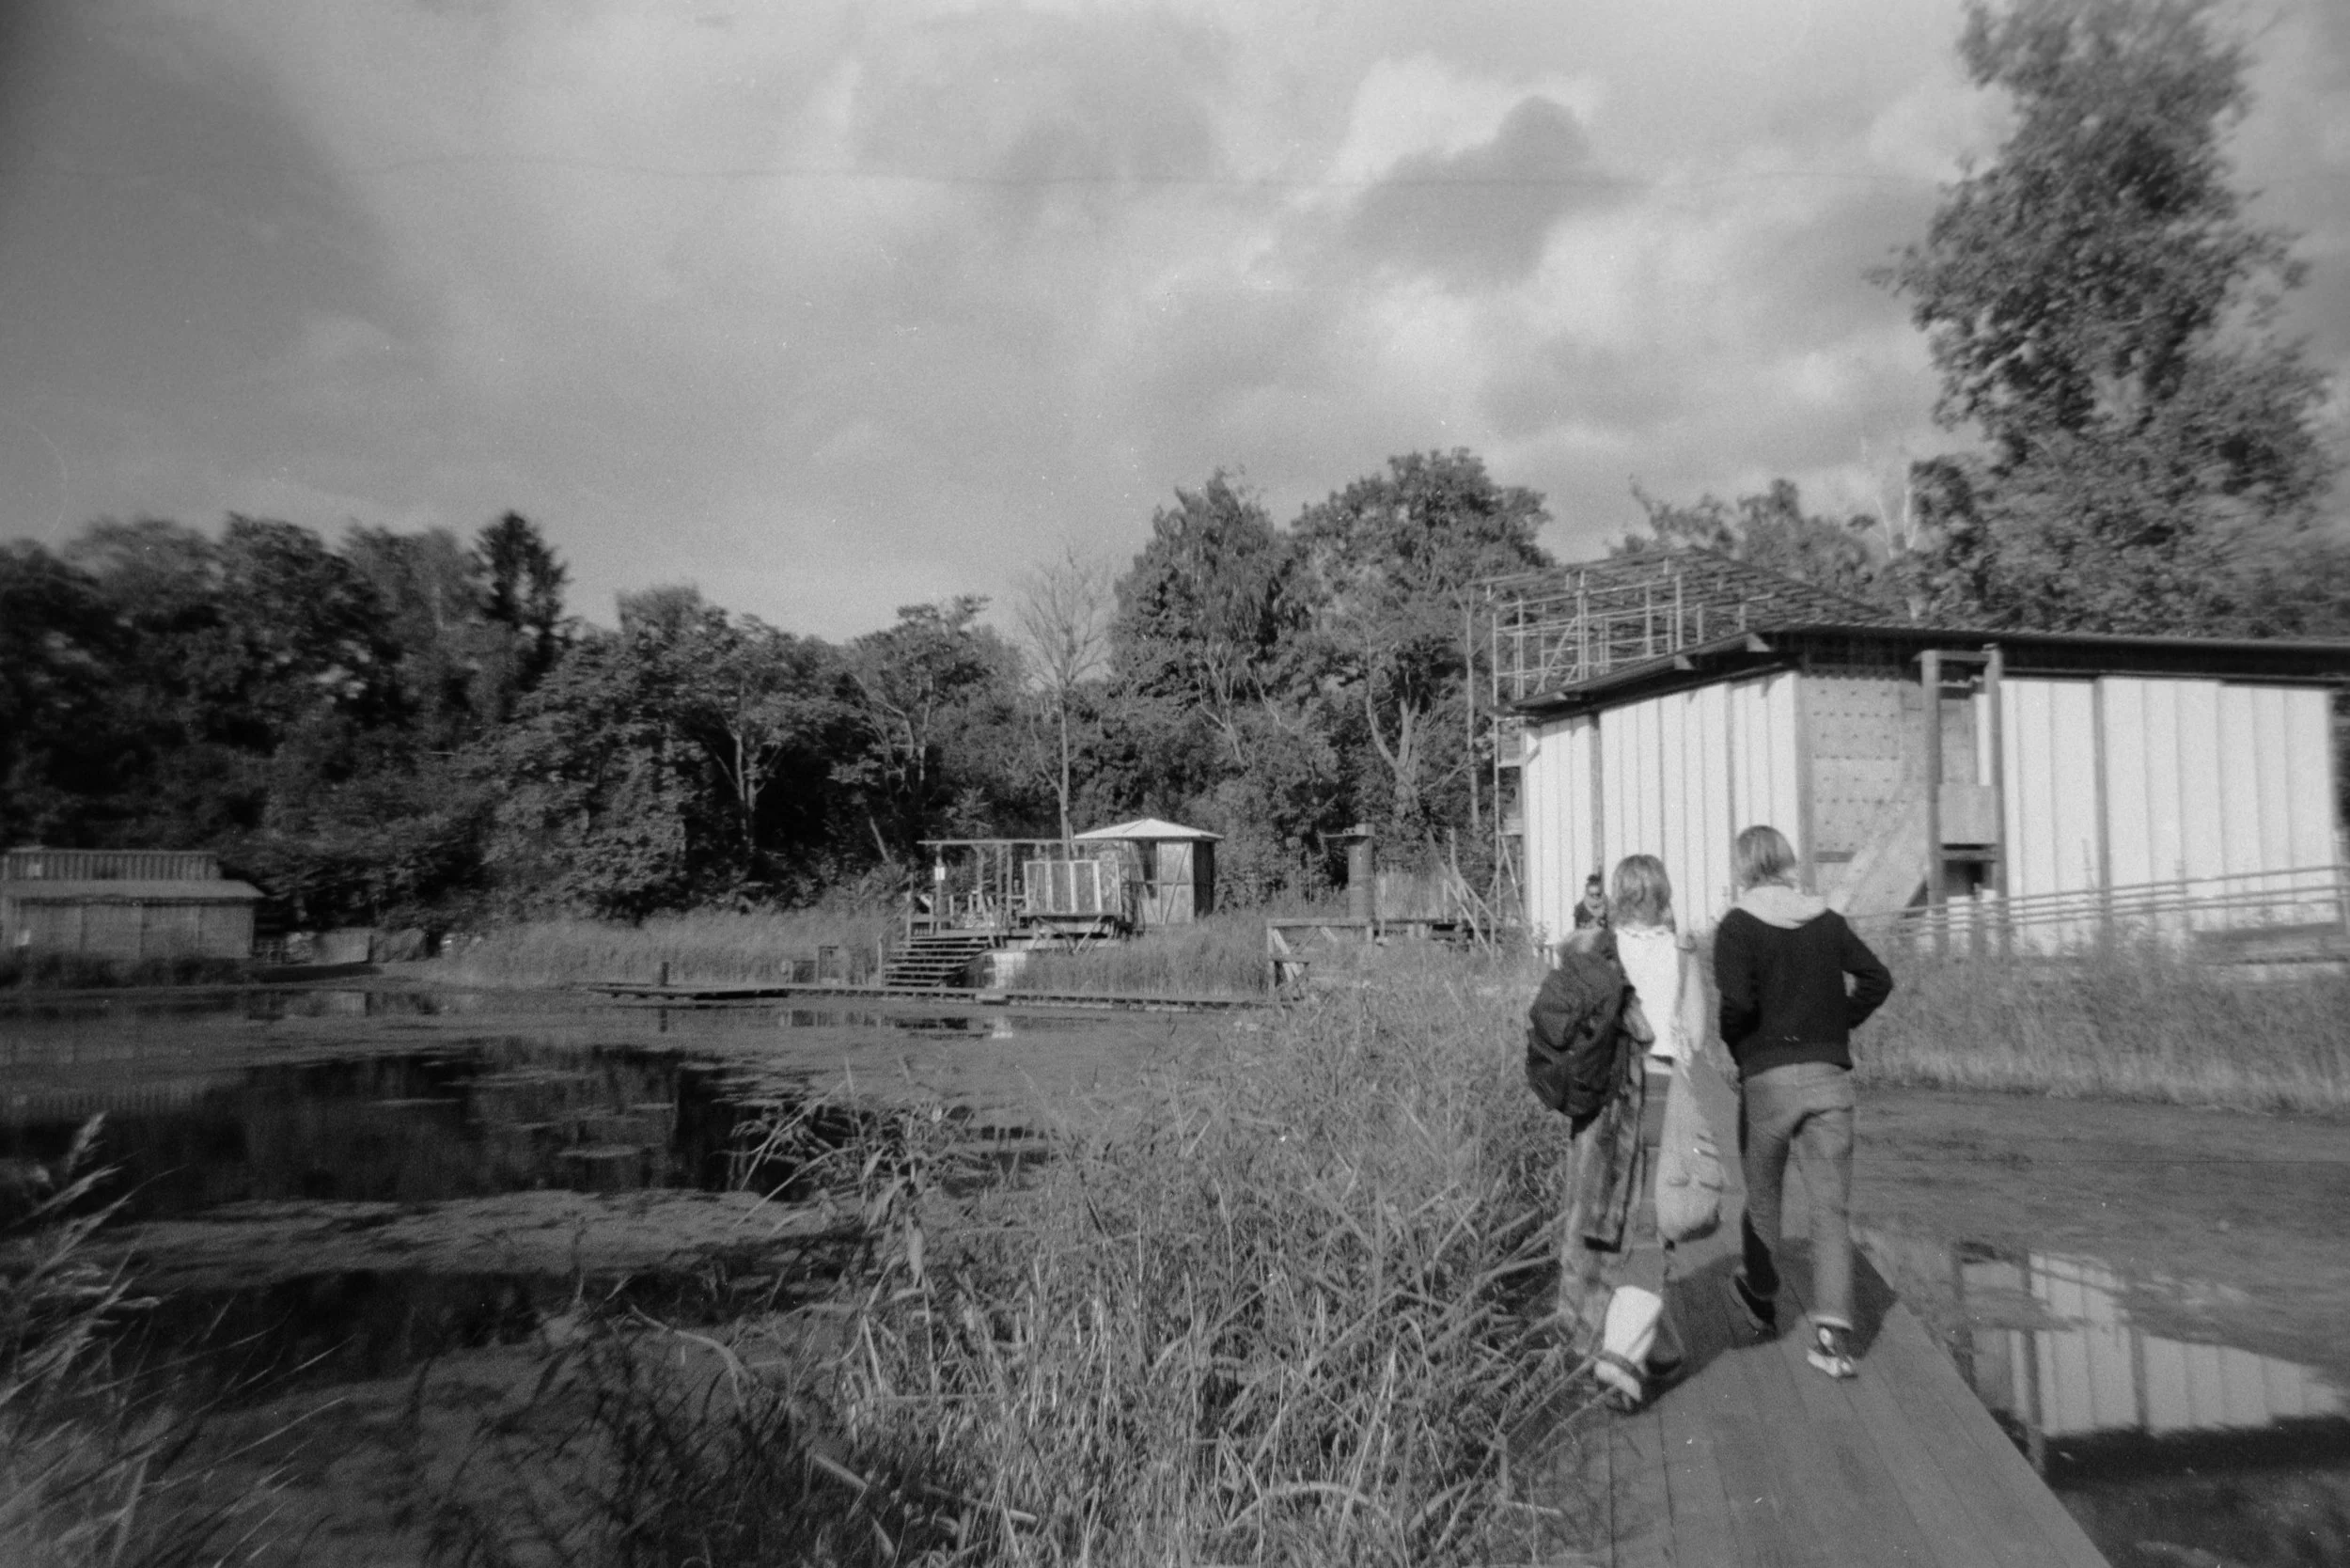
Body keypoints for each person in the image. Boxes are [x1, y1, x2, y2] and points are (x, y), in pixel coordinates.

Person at [1713, 824, 1892, 1379]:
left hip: (1766, 1079)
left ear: (1743, 867)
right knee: (1830, 1209)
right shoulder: (1828, 921)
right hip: (1829, 1078)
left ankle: (1762, 1305)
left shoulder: (1737, 926)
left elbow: (1738, 1002)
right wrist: (1838, 1024)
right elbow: (1877, 979)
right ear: (1788, 862)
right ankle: (1833, 1337)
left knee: (1763, 1198)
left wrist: (1738, 1044)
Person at [1527, 920, 1679, 1410]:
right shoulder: (1617, 988)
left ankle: (1594, 1337)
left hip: (1585, 1110)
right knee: (1606, 1227)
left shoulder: (1577, 981)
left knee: (1579, 1216)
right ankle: (1589, 1346)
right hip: (1618, 1118)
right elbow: (1649, 1035)